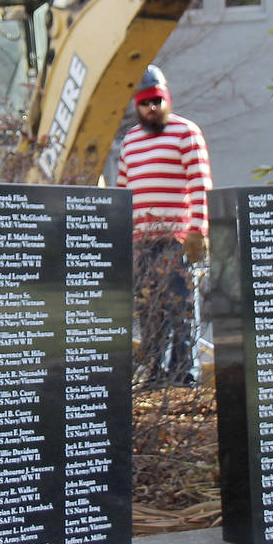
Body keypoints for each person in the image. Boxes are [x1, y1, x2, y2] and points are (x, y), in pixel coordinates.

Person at [115, 65, 212, 387]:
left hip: (176, 239)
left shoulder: (186, 132)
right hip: (141, 241)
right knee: (149, 311)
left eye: (157, 100)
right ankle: (155, 374)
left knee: (180, 309)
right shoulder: (130, 141)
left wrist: (198, 230)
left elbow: (200, 183)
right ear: (136, 105)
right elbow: (122, 192)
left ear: (167, 98)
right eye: (145, 102)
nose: (152, 107)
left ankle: (184, 375)